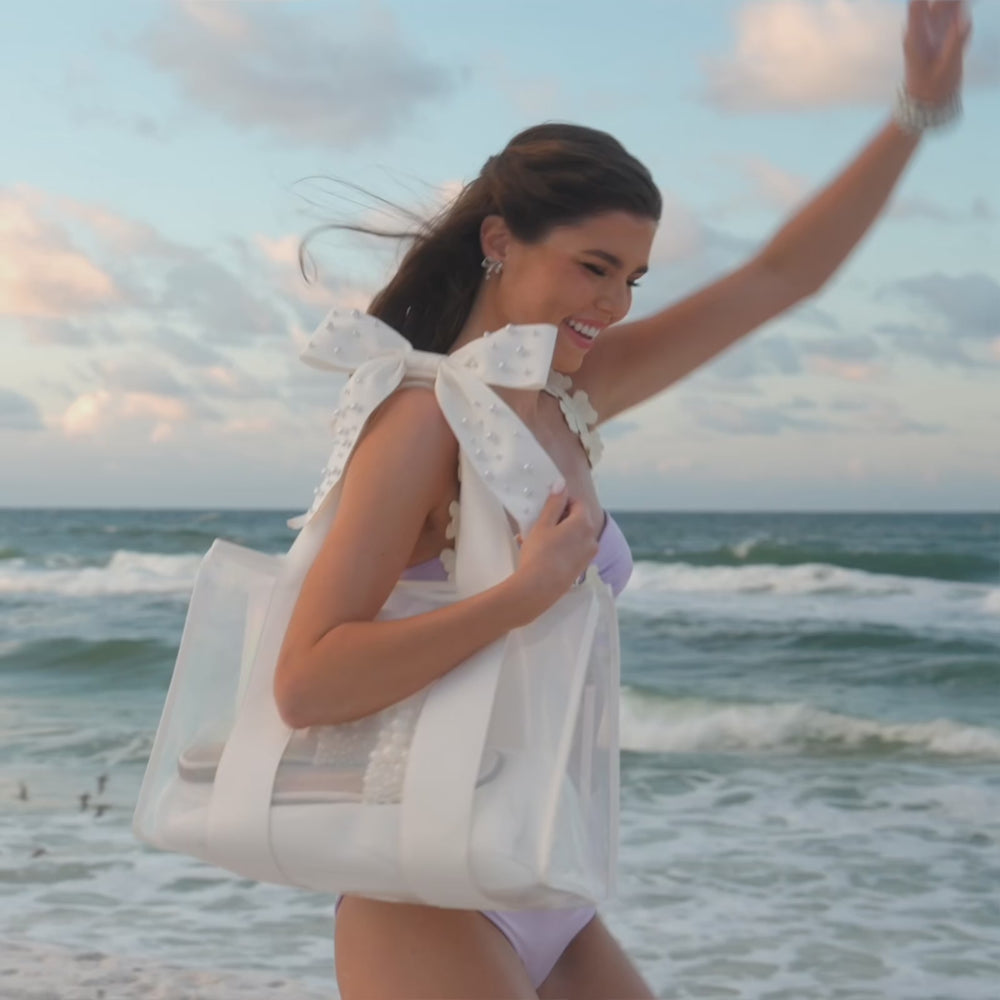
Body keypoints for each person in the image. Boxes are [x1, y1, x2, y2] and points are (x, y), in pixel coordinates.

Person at [274, 3, 971, 995]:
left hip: (538, 870)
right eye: (593, 268)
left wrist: (914, 113)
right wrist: (522, 593)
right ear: (499, 240)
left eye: (634, 277)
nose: (613, 304)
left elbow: (779, 276)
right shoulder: (424, 417)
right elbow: (306, 681)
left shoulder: (571, 393)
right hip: (424, 883)